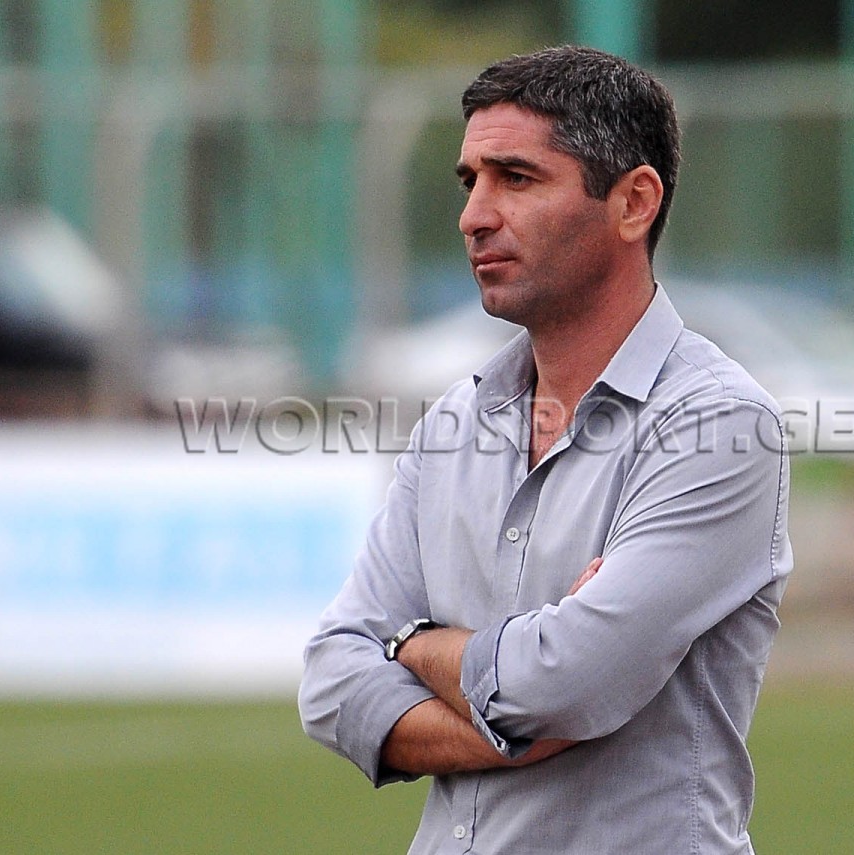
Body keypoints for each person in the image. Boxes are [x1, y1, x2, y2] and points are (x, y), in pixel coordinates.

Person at [299, 45, 792, 854]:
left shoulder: (721, 425)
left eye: (517, 179)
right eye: (470, 181)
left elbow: (564, 682)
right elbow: (330, 679)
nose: (474, 215)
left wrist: (412, 644)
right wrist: (515, 707)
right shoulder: (453, 424)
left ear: (634, 203)